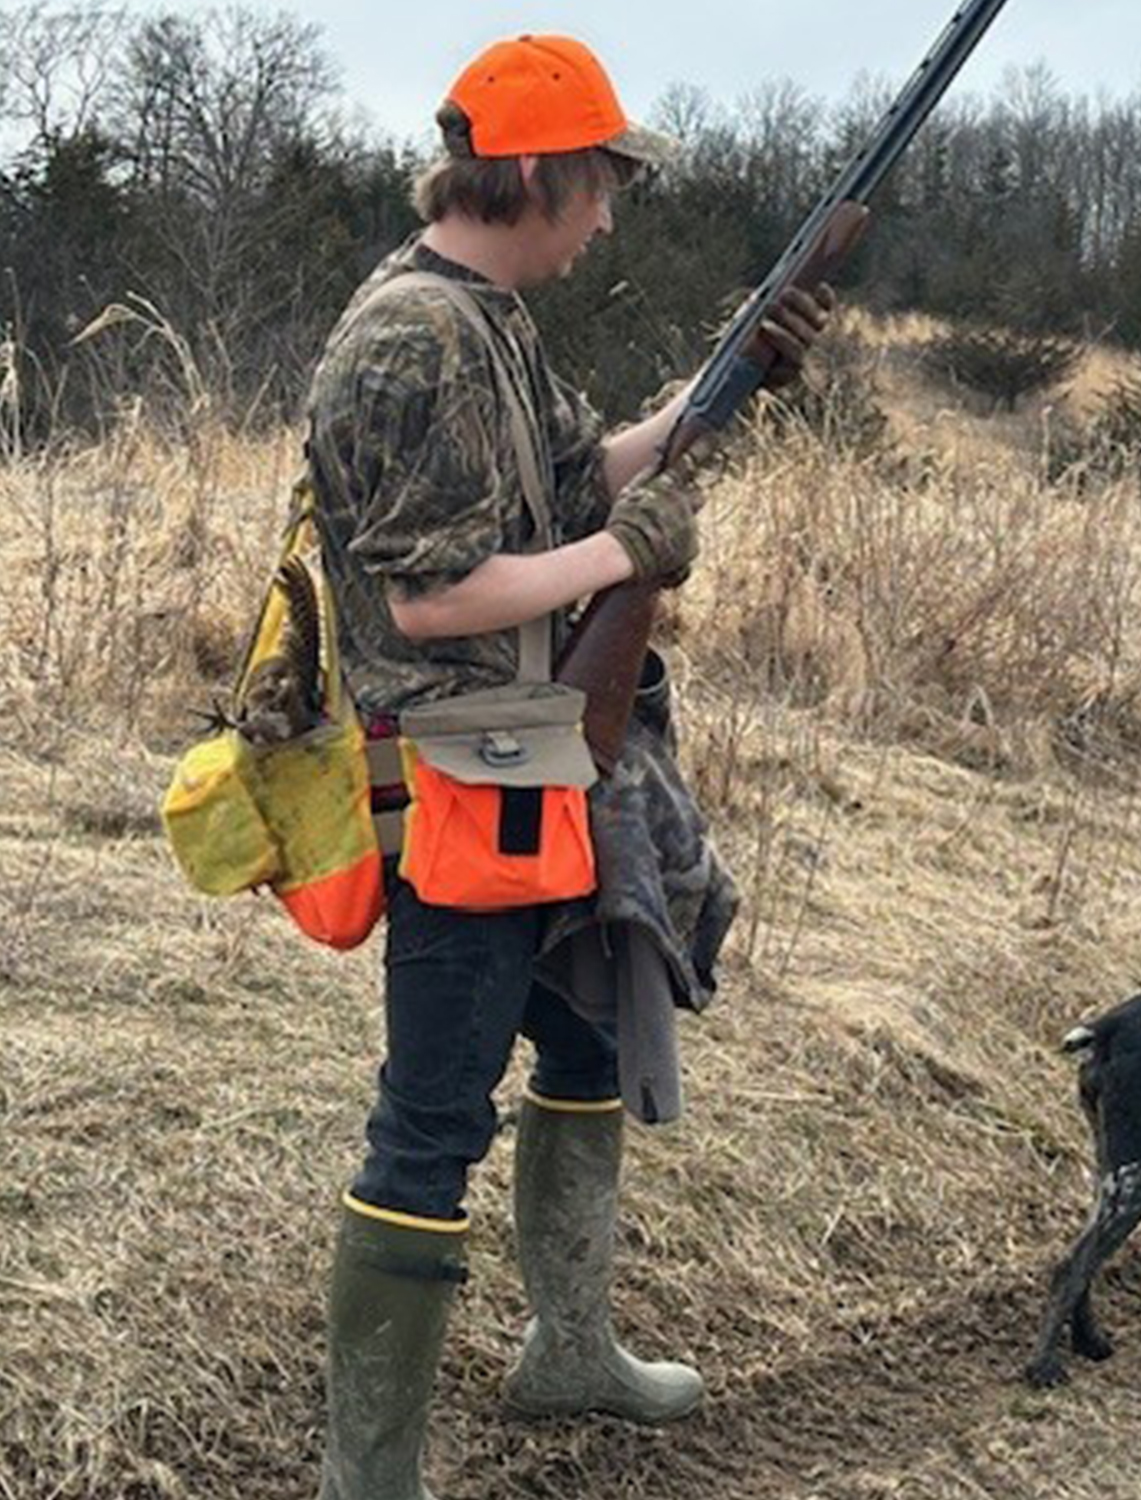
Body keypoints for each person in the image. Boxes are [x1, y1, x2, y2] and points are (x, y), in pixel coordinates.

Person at [302, 33, 832, 1499]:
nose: (608, 215)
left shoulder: (489, 319)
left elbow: (565, 481)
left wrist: (720, 392)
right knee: (432, 1120)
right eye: (600, 182)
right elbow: (429, 596)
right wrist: (621, 556)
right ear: (533, 172)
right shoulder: (412, 338)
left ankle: (571, 1351)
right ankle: (367, 1480)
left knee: (589, 1040)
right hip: (457, 778)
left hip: (538, 757)